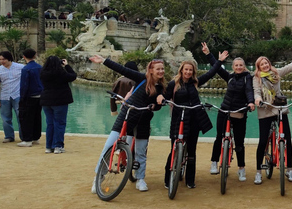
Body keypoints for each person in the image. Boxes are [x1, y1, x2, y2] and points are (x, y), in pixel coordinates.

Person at [90, 56, 166, 192]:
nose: (161, 71)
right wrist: (103, 61)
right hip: (128, 115)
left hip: (144, 119)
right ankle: (99, 176)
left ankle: (140, 178)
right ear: (151, 70)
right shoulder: (141, 78)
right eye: (158, 69)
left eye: (162, 69)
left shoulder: (160, 87)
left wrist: (157, 103)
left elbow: (158, 105)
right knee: (109, 146)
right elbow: (122, 69)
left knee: (141, 151)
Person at [162, 55, 223, 189]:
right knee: (173, 148)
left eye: (191, 70)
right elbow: (165, 96)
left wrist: (219, 61)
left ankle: (190, 180)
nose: (188, 72)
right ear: (182, 70)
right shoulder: (174, 84)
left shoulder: (195, 82)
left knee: (191, 150)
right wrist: (161, 99)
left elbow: (210, 73)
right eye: (186, 70)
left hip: (194, 118)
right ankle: (168, 178)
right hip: (179, 117)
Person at [253, 53, 292, 185]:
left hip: (279, 108)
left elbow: (290, 67)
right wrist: (258, 98)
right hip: (265, 108)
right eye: (262, 64)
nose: (265, 65)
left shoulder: (276, 73)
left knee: (287, 139)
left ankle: (289, 169)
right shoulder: (256, 78)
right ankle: (258, 172)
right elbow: (256, 91)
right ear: (259, 67)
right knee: (262, 141)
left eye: (266, 63)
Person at [202, 43, 255, 181]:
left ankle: (241, 168)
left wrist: (250, 102)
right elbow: (217, 68)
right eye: (236, 65)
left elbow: (249, 90)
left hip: (239, 112)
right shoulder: (229, 77)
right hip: (224, 110)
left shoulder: (247, 78)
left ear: (244, 67)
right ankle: (214, 162)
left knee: (239, 142)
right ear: (233, 67)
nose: (238, 67)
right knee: (219, 138)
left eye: (240, 65)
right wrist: (209, 54)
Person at [39, 56, 77, 154]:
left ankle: (48, 146)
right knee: (59, 123)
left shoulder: (43, 73)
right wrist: (67, 66)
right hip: (60, 101)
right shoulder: (60, 72)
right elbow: (73, 76)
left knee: (50, 124)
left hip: (46, 101)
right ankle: (58, 146)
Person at [0, 51, 24, 143]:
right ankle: (9, 136)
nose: (2, 61)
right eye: (0, 59)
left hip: (18, 95)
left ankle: (24, 136)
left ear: (9, 58)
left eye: (4, 59)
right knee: (5, 118)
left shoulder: (21, 67)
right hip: (5, 96)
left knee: (21, 116)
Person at [18, 49, 43, 147]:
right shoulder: (39, 67)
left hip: (29, 96)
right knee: (37, 116)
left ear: (24, 57)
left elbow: (24, 85)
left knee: (26, 117)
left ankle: (27, 139)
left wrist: (22, 97)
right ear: (35, 55)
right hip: (40, 95)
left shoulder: (26, 69)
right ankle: (35, 137)